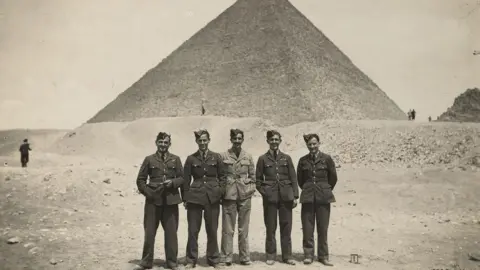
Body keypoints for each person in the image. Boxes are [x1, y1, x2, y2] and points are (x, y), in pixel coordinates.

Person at [134, 132, 185, 270]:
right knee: (149, 232)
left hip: (171, 201)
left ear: (169, 144)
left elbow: (182, 178)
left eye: (166, 142)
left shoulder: (176, 159)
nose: (163, 145)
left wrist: (173, 183)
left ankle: (172, 263)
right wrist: (149, 193)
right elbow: (140, 180)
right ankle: (146, 262)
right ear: (156, 143)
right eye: (161, 142)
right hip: (153, 201)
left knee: (171, 233)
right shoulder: (149, 159)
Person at [181, 129, 226, 269]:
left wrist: (220, 192)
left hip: (212, 197)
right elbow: (185, 180)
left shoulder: (216, 157)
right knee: (193, 230)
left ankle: (213, 259)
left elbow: (223, 177)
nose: (202, 143)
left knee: (212, 229)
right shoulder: (191, 158)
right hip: (195, 198)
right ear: (196, 142)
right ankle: (191, 259)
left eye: (205, 140)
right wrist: (185, 198)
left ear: (209, 140)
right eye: (200, 140)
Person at [255, 130, 299, 266]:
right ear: (268, 141)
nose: (274, 142)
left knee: (286, 226)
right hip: (270, 199)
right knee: (271, 227)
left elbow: (293, 177)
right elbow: (258, 180)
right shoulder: (262, 159)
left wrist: (295, 196)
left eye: (276, 139)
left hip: (286, 197)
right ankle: (271, 255)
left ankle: (287, 256)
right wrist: (265, 192)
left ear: (280, 141)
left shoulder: (287, 158)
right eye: (271, 140)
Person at [297, 133, 338, 266]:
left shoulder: (327, 159)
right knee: (308, 228)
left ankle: (323, 256)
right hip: (308, 197)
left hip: (323, 198)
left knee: (322, 228)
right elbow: (300, 180)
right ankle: (308, 255)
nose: (312, 146)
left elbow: (333, 178)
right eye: (310, 144)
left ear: (319, 143)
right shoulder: (303, 161)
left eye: (314, 143)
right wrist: (309, 189)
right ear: (307, 145)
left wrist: (324, 189)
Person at [219, 129, 256, 266]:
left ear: (243, 140)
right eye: (235, 138)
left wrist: (250, 191)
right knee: (228, 229)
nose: (237, 141)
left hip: (245, 195)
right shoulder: (224, 156)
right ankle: (226, 257)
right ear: (231, 140)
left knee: (243, 228)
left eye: (239, 138)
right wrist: (222, 192)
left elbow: (253, 177)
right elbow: (221, 176)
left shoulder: (248, 156)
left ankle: (244, 257)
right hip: (229, 195)